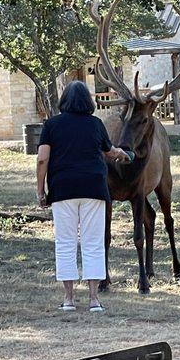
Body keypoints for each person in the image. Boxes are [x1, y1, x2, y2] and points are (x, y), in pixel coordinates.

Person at [36, 81, 129, 312]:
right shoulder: (95, 124)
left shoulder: (52, 125)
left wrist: (40, 191)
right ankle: (94, 299)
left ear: (63, 100)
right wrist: (123, 154)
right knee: (93, 243)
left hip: (63, 190)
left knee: (65, 243)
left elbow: (42, 159)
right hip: (94, 189)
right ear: (87, 101)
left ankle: (68, 299)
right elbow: (109, 151)